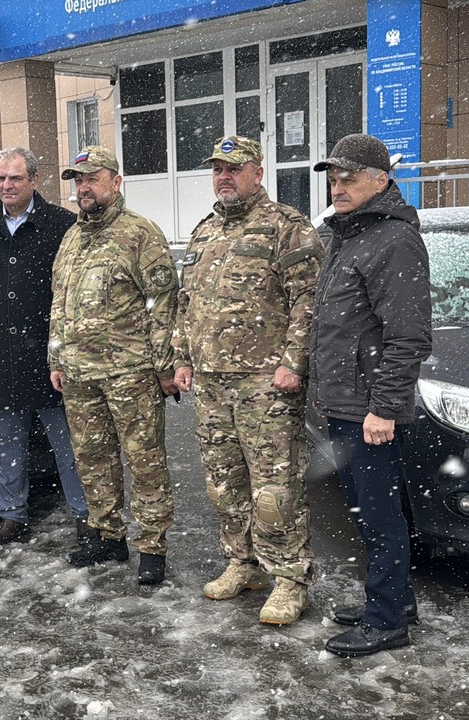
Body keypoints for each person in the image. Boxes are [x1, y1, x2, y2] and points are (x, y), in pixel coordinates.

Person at [172, 136, 323, 625]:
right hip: (211, 383)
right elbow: (186, 303)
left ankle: (290, 578)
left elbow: (309, 301)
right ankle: (243, 561)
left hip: (265, 384)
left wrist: (293, 362)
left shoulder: (287, 227)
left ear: (258, 173)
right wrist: (182, 357)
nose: (224, 177)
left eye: (233, 169)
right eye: (218, 169)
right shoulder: (204, 231)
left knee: (275, 488)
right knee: (224, 483)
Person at [310, 133, 432, 657]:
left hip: (367, 408)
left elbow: (408, 336)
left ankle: (387, 622)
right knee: (367, 510)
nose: (338, 188)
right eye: (334, 180)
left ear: (381, 181)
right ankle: (395, 600)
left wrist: (383, 408)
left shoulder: (393, 239)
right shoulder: (348, 234)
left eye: (350, 178)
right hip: (344, 401)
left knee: (380, 516)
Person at [50, 146, 181, 585]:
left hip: (130, 372)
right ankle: (107, 536)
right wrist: (56, 357)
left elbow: (163, 303)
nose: (83, 188)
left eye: (92, 178)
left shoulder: (140, 233)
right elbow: (59, 304)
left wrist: (163, 364)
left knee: (144, 460)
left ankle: (152, 546)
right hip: (79, 374)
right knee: (93, 459)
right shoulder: (71, 238)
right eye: (78, 180)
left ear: (116, 181)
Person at [0, 147, 90, 547]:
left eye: (15, 178)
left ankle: (86, 515)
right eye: (1, 178)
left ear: (34, 180)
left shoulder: (63, 225)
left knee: (69, 444)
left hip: (51, 355)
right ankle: (12, 516)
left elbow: (73, 294)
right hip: (2, 355)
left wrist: (68, 348)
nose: (7, 185)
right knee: (6, 445)